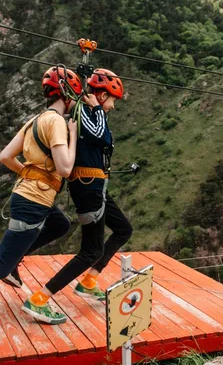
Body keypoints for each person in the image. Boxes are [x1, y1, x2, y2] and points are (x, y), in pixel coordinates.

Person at [22, 68, 133, 324]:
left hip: (95, 184)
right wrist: (97, 109)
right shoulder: (86, 110)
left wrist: (98, 110)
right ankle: (40, 298)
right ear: (102, 95)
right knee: (91, 250)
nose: (113, 107)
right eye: (112, 100)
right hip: (88, 185)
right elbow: (101, 137)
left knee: (123, 229)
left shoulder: (88, 111)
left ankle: (90, 280)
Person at [0, 66, 81, 312]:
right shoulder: (57, 122)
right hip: (34, 200)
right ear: (67, 96)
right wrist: (73, 135)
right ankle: (9, 263)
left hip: (27, 195)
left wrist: (29, 172)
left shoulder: (35, 120)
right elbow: (65, 168)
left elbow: (5, 156)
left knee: (61, 224)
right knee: (0, 264)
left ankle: (14, 260)